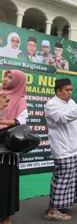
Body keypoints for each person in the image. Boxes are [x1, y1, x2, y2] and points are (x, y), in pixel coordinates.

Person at [44, 78, 77, 221]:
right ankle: (53, 210)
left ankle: (59, 205)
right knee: (62, 179)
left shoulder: (70, 102)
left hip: (74, 147)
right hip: (63, 148)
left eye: (71, 90)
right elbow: (63, 118)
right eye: (67, 90)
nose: (70, 92)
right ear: (58, 91)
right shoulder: (51, 104)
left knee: (72, 179)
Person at [0, 70, 28, 224]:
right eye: (5, 75)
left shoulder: (20, 99)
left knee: (4, 184)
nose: (5, 78)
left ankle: (5, 217)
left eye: (10, 77)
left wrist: (3, 122)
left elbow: (21, 121)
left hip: (6, 151)